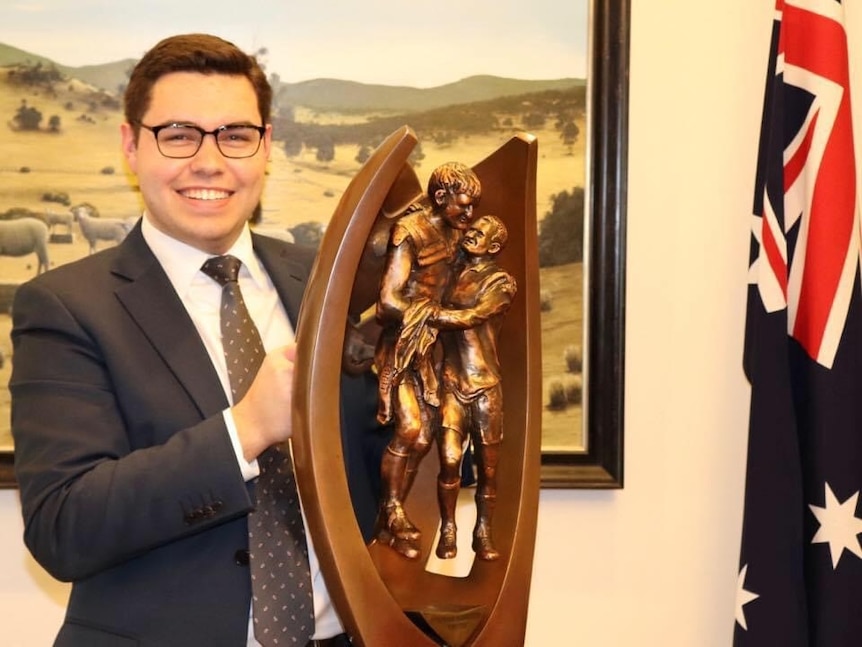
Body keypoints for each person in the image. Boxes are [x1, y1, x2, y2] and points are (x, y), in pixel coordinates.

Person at [10, 33, 376, 647]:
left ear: (266, 147)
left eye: (236, 135)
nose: (210, 162)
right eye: (178, 135)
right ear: (131, 145)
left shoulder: (338, 284)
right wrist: (244, 431)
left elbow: (398, 457)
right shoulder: (64, 307)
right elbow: (63, 527)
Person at [373, 161, 481, 559]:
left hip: (436, 347)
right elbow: (387, 301)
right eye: (464, 206)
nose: (470, 216)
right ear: (440, 198)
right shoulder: (409, 230)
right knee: (408, 428)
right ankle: (393, 508)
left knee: (423, 438)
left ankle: (392, 515)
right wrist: (433, 314)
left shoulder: (458, 234)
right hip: (403, 344)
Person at [421, 215, 516, 561]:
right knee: (449, 461)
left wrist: (427, 314)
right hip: (452, 382)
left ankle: (484, 531)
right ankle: (448, 529)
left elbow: (472, 317)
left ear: (493, 246)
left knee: (488, 471)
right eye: (471, 229)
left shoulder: (501, 283)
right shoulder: (451, 273)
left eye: (479, 234)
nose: (470, 235)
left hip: (485, 385)